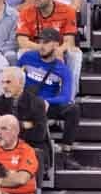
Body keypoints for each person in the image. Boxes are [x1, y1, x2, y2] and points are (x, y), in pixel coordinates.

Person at [17, 26, 79, 167]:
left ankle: (66, 153)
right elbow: (15, 76)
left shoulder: (62, 70)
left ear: (56, 45)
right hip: (26, 102)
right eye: (40, 41)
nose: (41, 46)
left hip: (47, 105)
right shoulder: (27, 57)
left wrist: (45, 101)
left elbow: (66, 97)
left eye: (46, 42)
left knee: (73, 109)